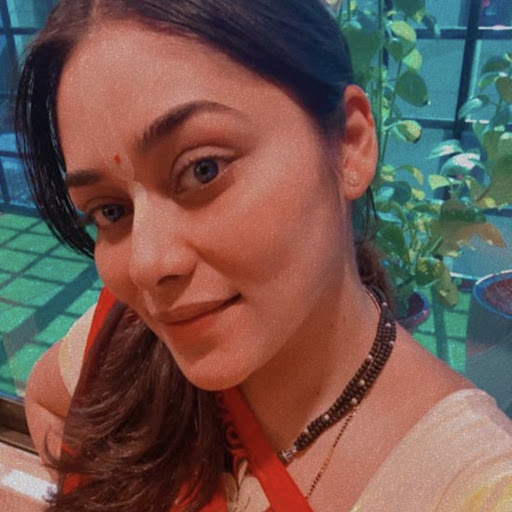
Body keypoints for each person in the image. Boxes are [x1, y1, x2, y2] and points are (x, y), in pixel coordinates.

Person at [18, 1, 512, 511]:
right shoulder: (124, 346)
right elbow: (45, 399)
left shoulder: (471, 485)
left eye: (203, 169)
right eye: (111, 211)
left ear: (350, 144)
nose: (147, 265)